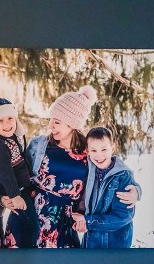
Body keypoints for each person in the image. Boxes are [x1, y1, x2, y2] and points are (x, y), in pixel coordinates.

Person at [26, 86, 140, 248]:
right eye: (50, 120)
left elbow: (113, 171)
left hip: (63, 222)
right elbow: (19, 172)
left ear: (72, 124)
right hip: (30, 216)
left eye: (57, 122)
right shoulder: (39, 145)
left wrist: (136, 190)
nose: (51, 126)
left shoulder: (89, 152)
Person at [0, 98, 39, 248]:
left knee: (26, 221)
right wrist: (15, 195)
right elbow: (5, 174)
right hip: (13, 191)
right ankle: (29, 252)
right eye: (0, 121)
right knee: (32, 225)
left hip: (24, 187)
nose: (7, 124)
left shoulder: (15, 137)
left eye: (10, 118)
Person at [72, 127, 137, 248]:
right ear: (88, 151)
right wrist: (81, 218)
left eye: (104, 149)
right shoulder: (89, 170)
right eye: (94, 150)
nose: (99, 155)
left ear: (112, 148)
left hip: (114, 243)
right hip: (90, 241)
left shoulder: (123, 176)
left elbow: (124, 216)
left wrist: (89, 221)